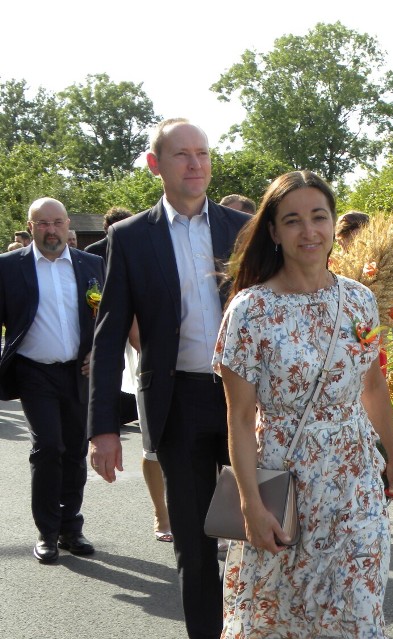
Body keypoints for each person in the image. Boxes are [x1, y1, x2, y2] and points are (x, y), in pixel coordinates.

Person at [213, 170, 393, 637]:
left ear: (333, 224)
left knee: (358, 615)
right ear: (275, 232)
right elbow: (239, 418)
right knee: (284, 618)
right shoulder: (250, 309)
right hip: (286, 484)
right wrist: (250, 504)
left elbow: (374, 387)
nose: (309, 231)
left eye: (319, 217)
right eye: (294, 220)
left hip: (354, 480)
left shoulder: (359, 300)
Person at [87, 118, 251, 639]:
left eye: (202, 152)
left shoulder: (242, 229)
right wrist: (103, 428)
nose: (196, 163)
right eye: (182, 154)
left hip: (247, 401)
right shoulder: (130, 237)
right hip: (178, 404)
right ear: (156, 164)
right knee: (195, 544)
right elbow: (109, 334)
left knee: (266, 525)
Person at [0, 197, 104, 563]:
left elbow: (106, 317)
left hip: (79, 371)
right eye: (43, 224)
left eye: (57, 222)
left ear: (67, 225)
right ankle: (46, 532)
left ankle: (70, 528)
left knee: (75, 450)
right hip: (34, 372)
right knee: (48, 448)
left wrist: (97, 350)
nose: (51, 230)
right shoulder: (9, 268)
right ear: (31, 228)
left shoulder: (91, 265)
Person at [85, 206, 171, 541]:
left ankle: (205, 515)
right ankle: (161, 514)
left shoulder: (157, 246)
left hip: (188, 363)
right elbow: (122, 320)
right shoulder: (96, 257)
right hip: (148, 361)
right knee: (153, 447)